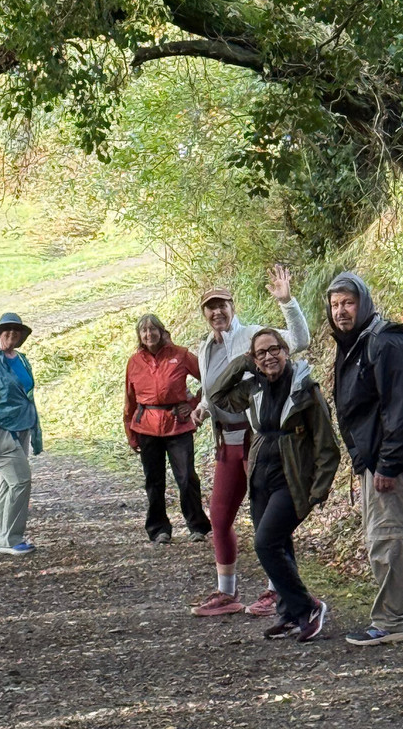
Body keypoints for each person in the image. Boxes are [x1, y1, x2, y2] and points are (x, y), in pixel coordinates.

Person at [189, 265, 311, 617]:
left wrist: (287, 302)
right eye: (210, 307)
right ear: (205, 313)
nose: (217, 312)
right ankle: (227, 592)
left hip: (258, 440)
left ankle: (277, 590)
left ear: (233, 306)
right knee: (220, 515)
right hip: (226, 443)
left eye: (222, 305)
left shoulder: (253, 336)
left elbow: (299, 340)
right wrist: (202, 410)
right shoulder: (204, 348)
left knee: (268, 520)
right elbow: (214, 394)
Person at [208, 328, 340, 642]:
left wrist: (319, 488)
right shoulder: (253, 387)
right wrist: (241, 363)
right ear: (254, 360)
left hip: (292, 480)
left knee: (266, 543)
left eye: (274, 350)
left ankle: (308, 607)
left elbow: (326, 444)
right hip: (260, 476)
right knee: (280, 545)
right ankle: (290, 613)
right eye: (261, 353)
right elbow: (215, 395)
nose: (269, 357)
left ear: (285, 351)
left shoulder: (305, 388)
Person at [326, 271, 403, 645]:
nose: (341, 311)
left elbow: (400, 411)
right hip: (376, 455)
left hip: (392, 457)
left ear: (363, 303)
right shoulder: (354, 343)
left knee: (385, 538)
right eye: (335, 304)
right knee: (393, 536)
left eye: (348, 303)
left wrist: (387, 464)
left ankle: (390, 621)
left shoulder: (384, 344)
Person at [123, 314, 212, 545]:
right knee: (154, 480)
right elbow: (130, 400)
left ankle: (197, 526)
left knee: (186, 477)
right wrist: (130, 433)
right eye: (144, 331)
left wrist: (193, 405)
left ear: (162, 332)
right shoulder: (134, 362)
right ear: (139, 336)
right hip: (146, 426)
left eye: (153, 329)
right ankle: (158, 529)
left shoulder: (180, 355)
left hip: (178, 425)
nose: (149, 334)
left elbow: (210, 379)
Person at [0, 312, 43, 556]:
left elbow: (29, 396)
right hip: (1, 431)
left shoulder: (21, 360)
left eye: (16, 330)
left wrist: (36, 432)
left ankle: (2, 540)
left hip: (23, 428)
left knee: (8, 483)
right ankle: (11, 539)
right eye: (7, 330)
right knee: (21, 481)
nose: (12, 334)